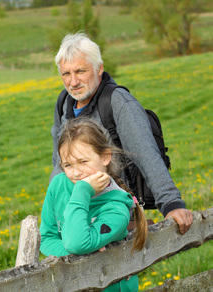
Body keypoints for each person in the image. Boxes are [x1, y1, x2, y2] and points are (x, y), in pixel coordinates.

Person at [50, 32, 193, 234]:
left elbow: (146, 153)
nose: (73, 82)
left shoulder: (117, 102)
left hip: (114, 211)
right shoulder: (64, 103)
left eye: (80, 71)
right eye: (66, 74)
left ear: (99, 68)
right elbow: (58, 163)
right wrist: (56, 215)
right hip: (79, 213)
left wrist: (172, 203)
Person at [40, 117, 148, 292]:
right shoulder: (59, 184)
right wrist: (79, 255)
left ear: (105, 157)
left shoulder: (116, 207)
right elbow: (47, 238)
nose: (76, 173)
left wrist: (82, 192)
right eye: (68, 165)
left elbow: (76, 243)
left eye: (83, 162)